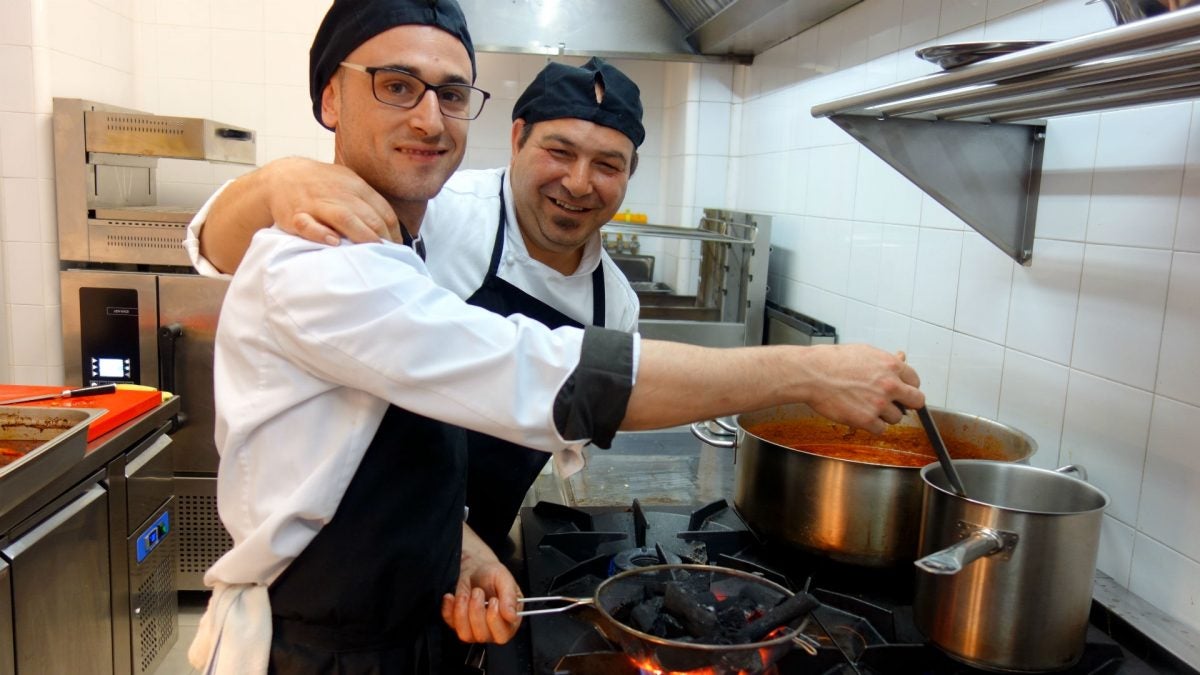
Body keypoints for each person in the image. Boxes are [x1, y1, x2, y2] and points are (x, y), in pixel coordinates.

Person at [186, 1, 924, 673]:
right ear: (331, 98)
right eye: (396, 85)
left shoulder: (596, 294)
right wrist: (808, 373)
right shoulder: (358, 244)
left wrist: (458, 542)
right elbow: (532, 373)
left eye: (449, 95)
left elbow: (387, 427)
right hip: (325, 643)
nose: (429, 120)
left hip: (420, 594)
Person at [188, 57, 651, 554]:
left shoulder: (614, 307)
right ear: (518, 139)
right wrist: (273, 182)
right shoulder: (433, 206)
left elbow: (557, 423)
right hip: (348, 540)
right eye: (559, 152)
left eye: (607, 165)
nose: (579, 183)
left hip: (478, 565)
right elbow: (219, 249)